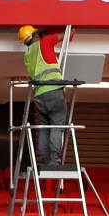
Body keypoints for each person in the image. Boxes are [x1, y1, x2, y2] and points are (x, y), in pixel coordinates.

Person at [18, 25, 67, 169]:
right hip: (54, 91)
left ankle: (46, 160)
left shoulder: (27, 56)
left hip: (39, 95)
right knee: (57, 126)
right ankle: (53, 161)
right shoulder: (44, 42)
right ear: (36, 35)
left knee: (45, 127)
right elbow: (68, 34)